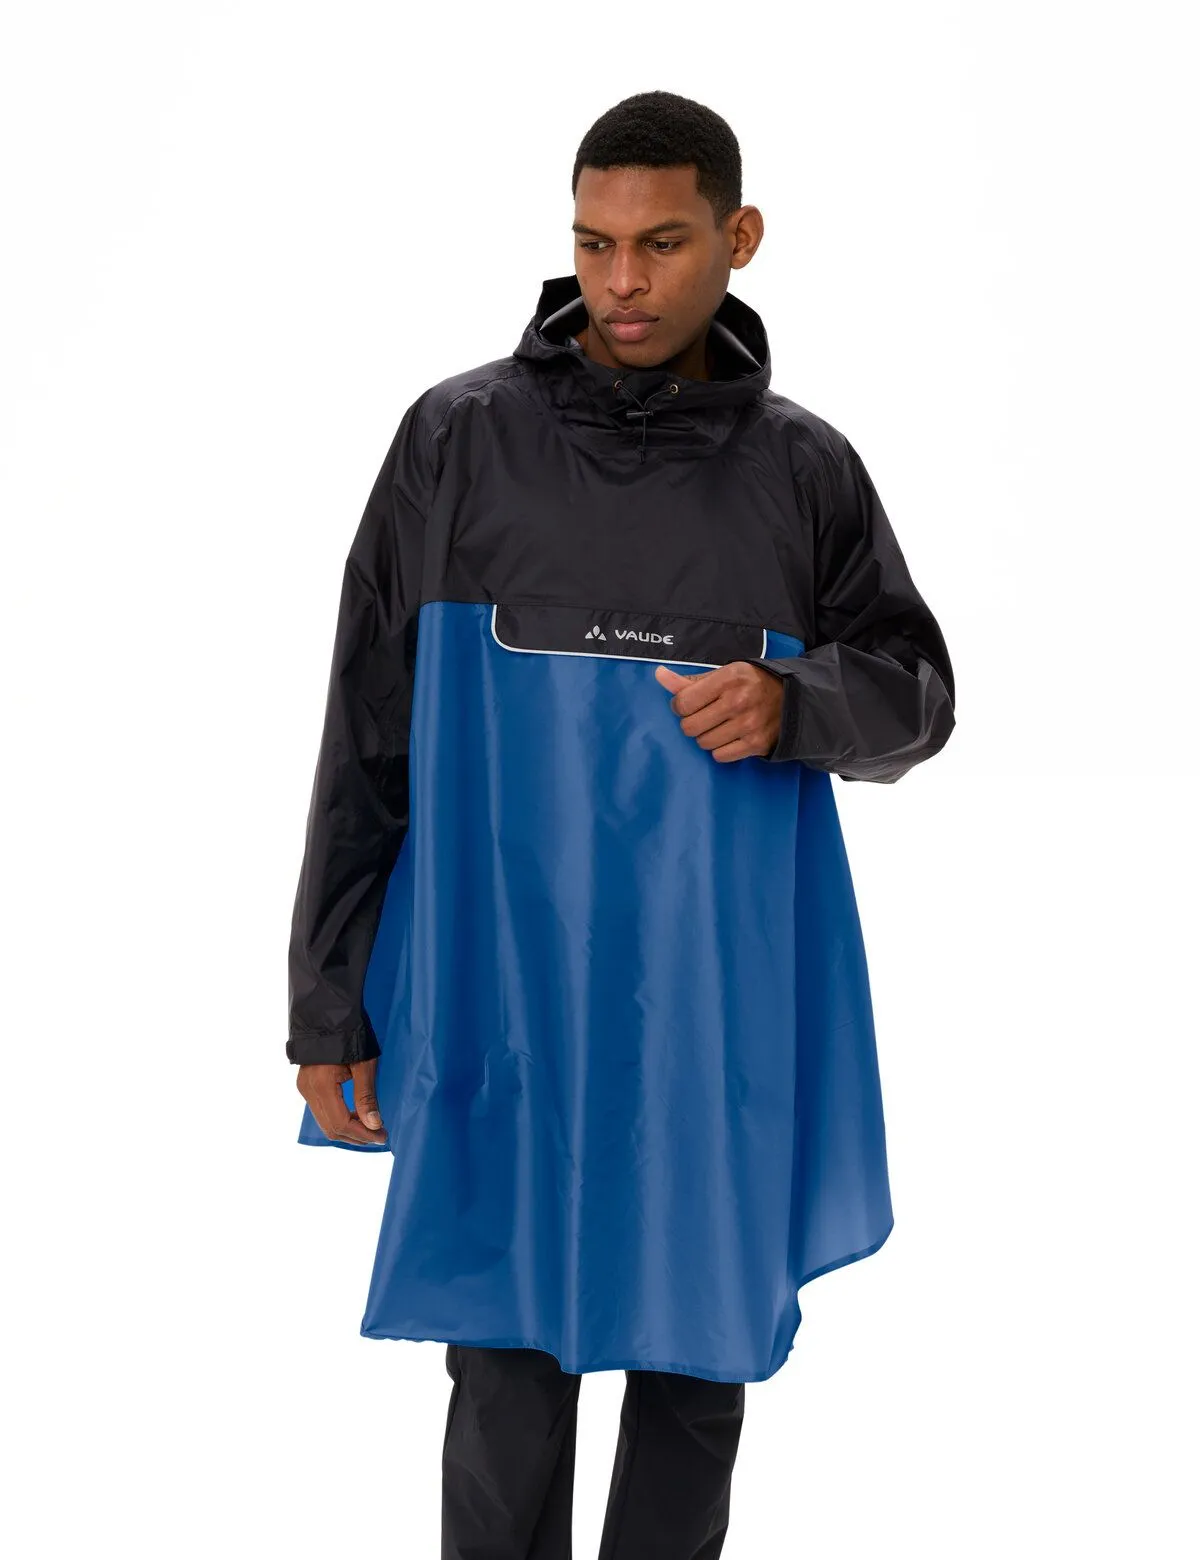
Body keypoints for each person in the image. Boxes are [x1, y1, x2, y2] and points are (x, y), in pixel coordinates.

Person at [286, 89, 956, 1560]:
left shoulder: (803, 471)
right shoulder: (458, 440)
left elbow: (918, 695)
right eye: (594, 244)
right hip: (501, 989)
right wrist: (330, 1005)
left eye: (661, 244)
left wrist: (795, 701)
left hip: (713, 1006)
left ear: (740, 236)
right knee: (505, 1369)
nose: (622, 282)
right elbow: (369, 734)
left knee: (699, 1362)